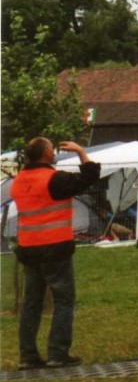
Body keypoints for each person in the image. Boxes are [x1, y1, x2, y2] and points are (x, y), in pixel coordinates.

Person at [12, 139, 99, 369]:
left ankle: (27, 356)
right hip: (54, 248)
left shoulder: (19, 181)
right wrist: (81, 151)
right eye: (52, 149)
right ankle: (57, 353)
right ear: (47, 152)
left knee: (31, 304)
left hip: (28, 249)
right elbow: (89, 178)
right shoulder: (54, 179)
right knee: (63, 300)